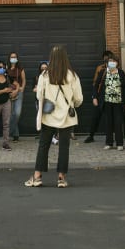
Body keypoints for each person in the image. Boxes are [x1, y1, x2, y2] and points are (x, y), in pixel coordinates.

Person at [26, 45, 83, 188]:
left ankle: (37, 177)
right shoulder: (72, 75)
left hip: (48, 116)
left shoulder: (44, 75)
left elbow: (39, 95)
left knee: (43, 146)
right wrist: (70, 104)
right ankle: (61, 178)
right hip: (66, 118)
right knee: (64, 147)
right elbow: (78, 99)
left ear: (51, 58)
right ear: (65, 58)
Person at [93, 55, 125, 150]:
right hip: (106, 101)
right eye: (110, 61)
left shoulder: (121, 73)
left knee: (118, 122)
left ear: (117, 63)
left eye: (114, 61)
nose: (111, 63)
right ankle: (109, 143)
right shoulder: (103, 72)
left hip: (118, 102)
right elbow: (96, 85)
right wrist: (95, 97)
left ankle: (119, 143)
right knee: (108, 122)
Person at [84, 50, 112, 143]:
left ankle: (111, 137)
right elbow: (95, 82)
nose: (106, 59)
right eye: (105, 57)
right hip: (100, 95)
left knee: (110, 118)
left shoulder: (115, 67)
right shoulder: (100, 68)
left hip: (110, 96)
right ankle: (91, 135)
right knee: (95, 117)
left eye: (107, 57)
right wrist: (94, 96)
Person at [7, 52, 26, 142]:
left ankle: (8, 131)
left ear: (17, 58)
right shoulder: (6, 68)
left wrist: (22, 88)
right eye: (11, 57)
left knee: (17, 113)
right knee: (11, 114)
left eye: (14, 57)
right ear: (9, 58)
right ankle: (16, 135)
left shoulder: (20, 68)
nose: (13, 58)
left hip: (18, 92)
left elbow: (24, 79)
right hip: (9, 93)